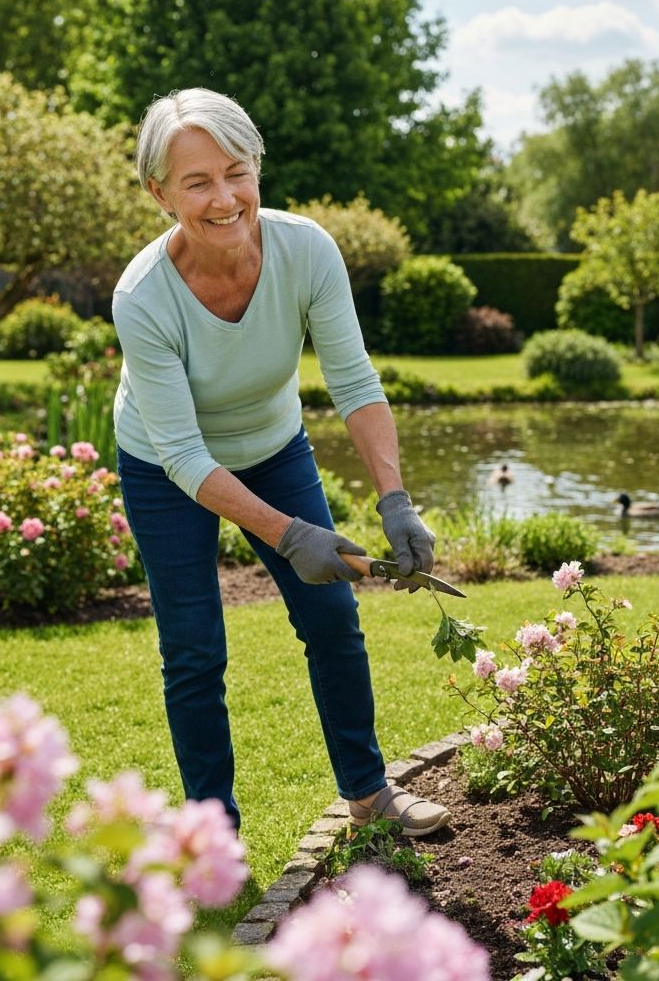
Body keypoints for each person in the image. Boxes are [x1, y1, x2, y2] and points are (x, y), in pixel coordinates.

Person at [111, 87, 450, 838]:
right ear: (158, 192)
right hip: (167, 469)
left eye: (237, 171)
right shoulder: (142, 298)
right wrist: (290, 536)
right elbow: (185, 456)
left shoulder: (306, 250)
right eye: (197, 182)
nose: (224, 197)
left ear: (257, 166)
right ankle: (212, 838)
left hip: (271, 446)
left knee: (332, 619)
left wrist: (394, 499)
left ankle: (368, 795)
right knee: (195, 650)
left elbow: (355, 382)